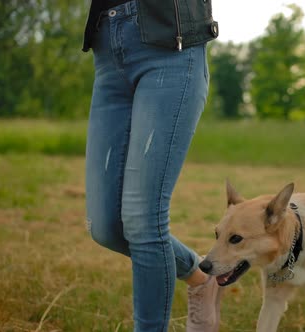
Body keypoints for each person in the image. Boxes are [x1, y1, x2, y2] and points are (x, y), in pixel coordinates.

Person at [81, 0, 221, 331]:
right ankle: (201, 277)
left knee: (143, 220)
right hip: (107, 47)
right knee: (104, 227)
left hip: (169, 48)